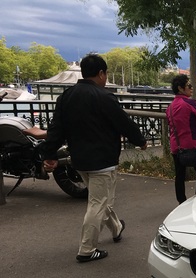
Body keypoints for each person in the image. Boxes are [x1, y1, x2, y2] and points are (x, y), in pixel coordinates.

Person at [40, 54, 147, 263]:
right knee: (97, 203)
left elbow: (56, 130)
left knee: (100, 199)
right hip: (103, 161)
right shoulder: (104, 97)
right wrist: (140, 141)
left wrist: (50, 155)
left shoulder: (66, 97)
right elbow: (123, 123)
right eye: (105, 74)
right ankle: (87, 249)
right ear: (101, 73)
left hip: (80, 160)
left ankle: (116, 228)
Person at [166, 74, 196, 204]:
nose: (192, 88)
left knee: (179, 175)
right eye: (189, 86)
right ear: (180, 88)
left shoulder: (170, 107)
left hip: (176, 146)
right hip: (192, 144)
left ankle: (181, 202)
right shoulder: (190, 103)